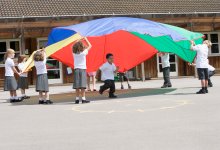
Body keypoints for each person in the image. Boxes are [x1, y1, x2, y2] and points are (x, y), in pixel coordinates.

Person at [73, 37, 92, 104]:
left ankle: (77, 99)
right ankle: (83, 99)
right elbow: (90, 45)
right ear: (81, 47)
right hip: (82, 69)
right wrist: (85, 39)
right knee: (82, 85)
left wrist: (77, 40)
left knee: (77, 86)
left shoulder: (74, 53)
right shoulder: (83, 52)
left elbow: (74, 45)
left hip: (76, 70)